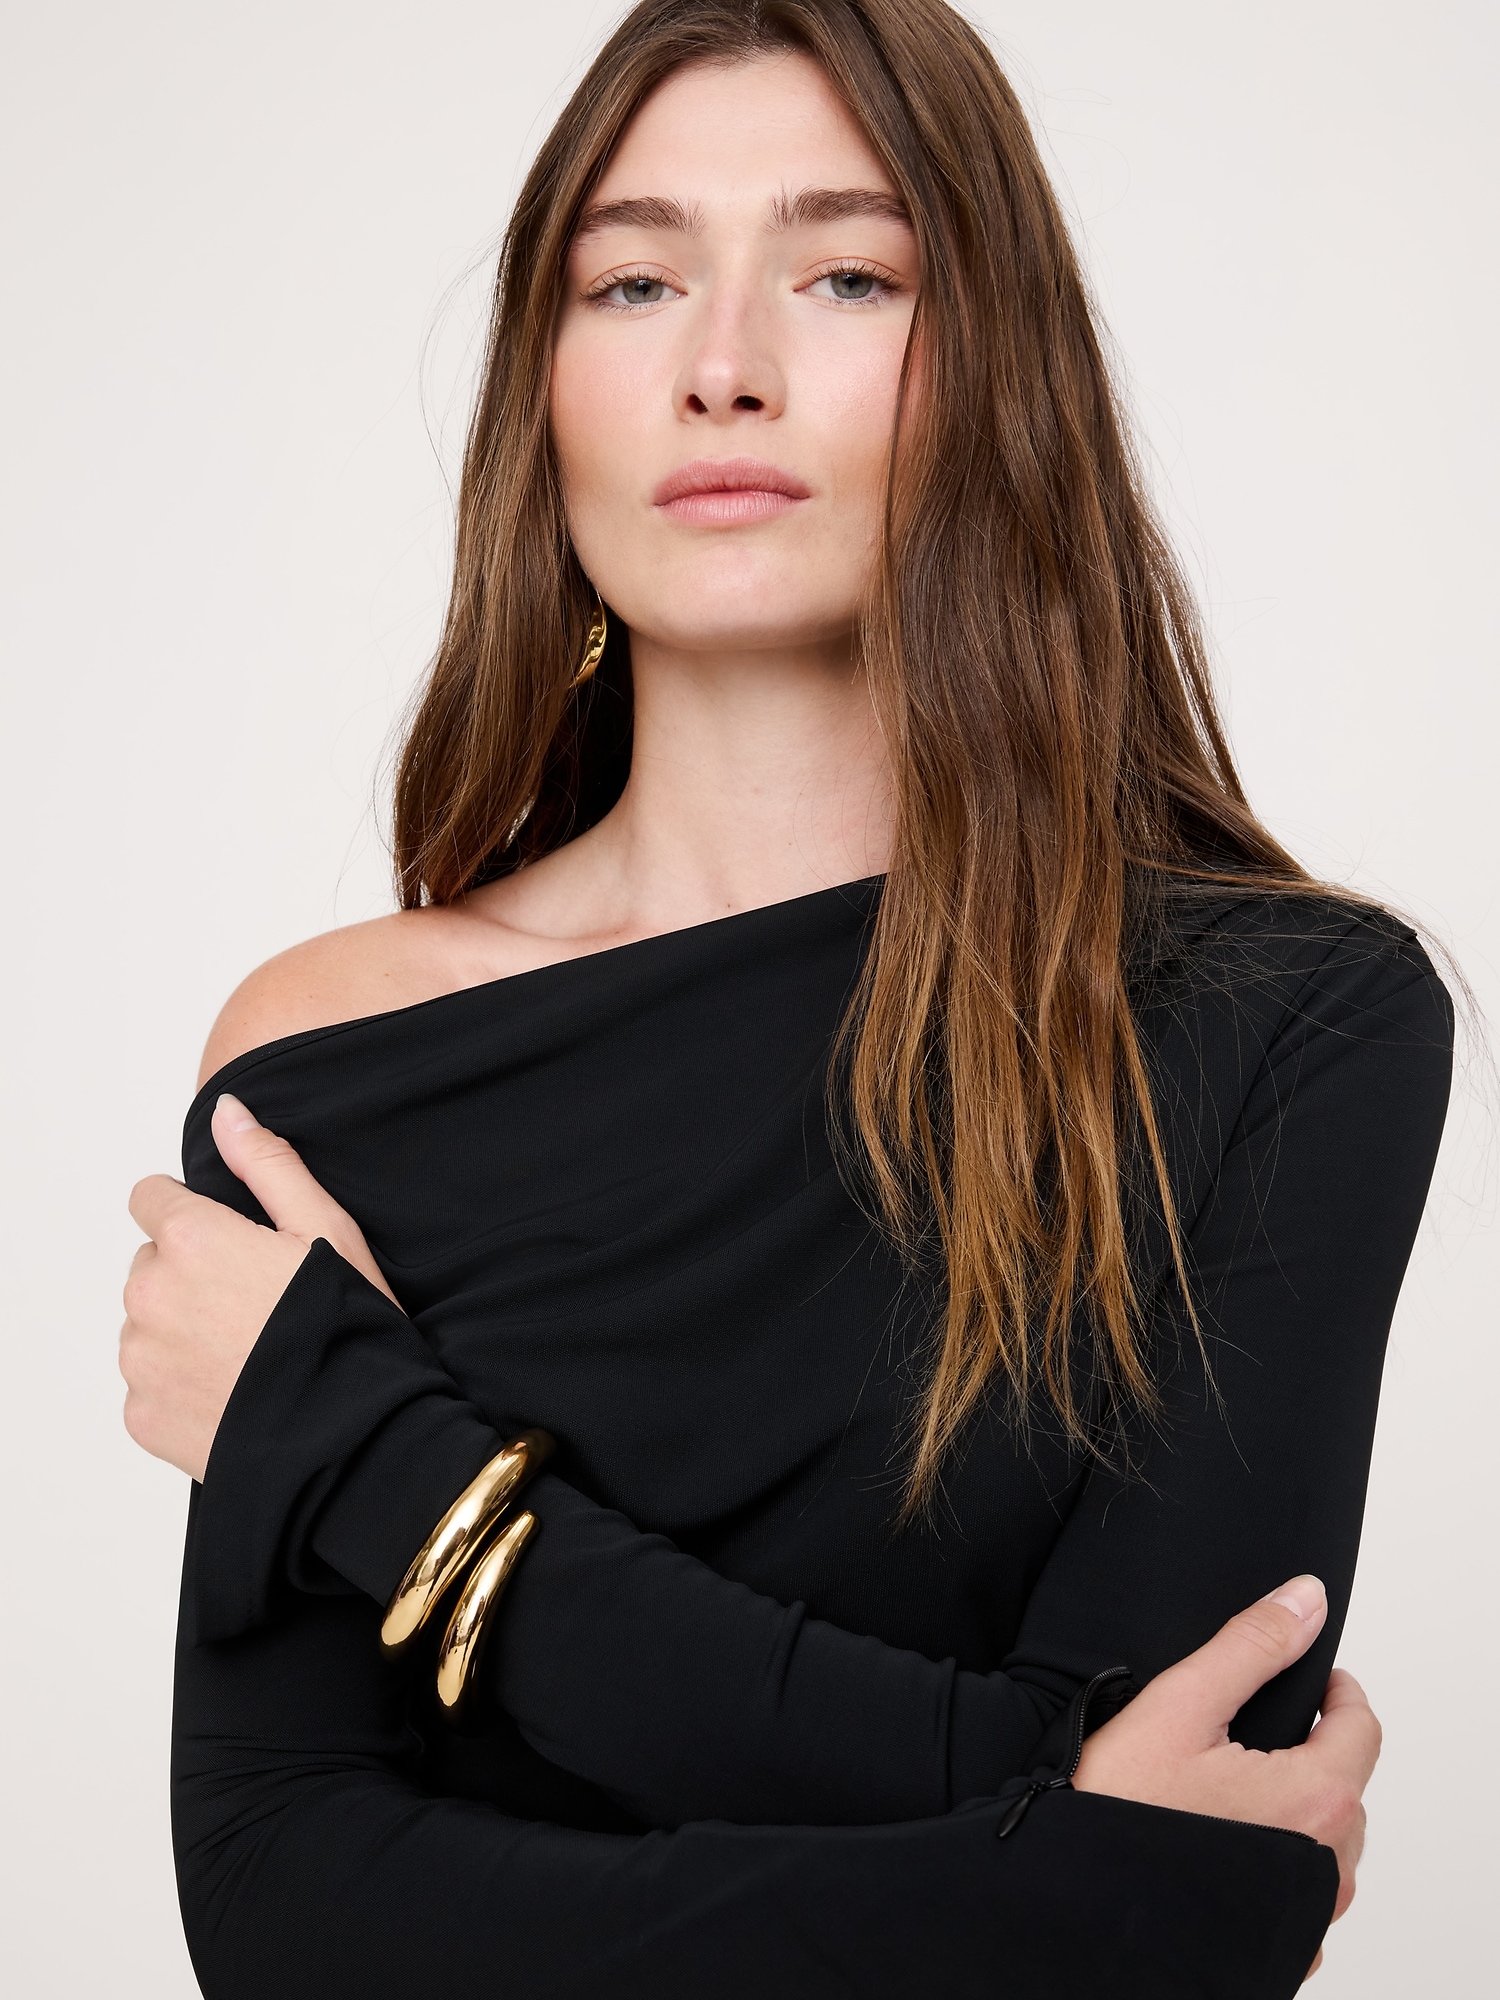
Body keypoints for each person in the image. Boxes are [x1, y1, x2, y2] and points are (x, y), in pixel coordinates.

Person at [118, 3, 1450, 1993]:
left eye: (846, 275)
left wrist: (392, 1471)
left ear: (997, 365)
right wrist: (1054, 1838)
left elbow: (1185, 1936)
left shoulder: (1286, 1019)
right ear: (544, 388)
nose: (722, 366)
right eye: (634, 281)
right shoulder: (326, 1065)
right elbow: (284, 1911)